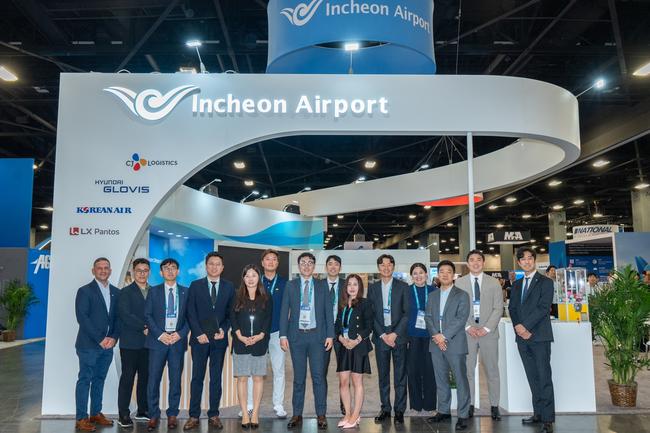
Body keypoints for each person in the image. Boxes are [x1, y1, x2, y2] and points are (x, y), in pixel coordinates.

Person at [279, 252, 334, 430]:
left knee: (319, 377)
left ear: (314, 266)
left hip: (317, 337)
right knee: (299, 378)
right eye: (303, 262)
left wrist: (330, 335)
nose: (306, 265)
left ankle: (321, 414)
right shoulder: (291, 285)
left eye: (310, 262)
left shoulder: (322, 285)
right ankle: (297, 414)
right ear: (299, 266)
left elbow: (328, 312)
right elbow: (284, 311)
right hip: (297, 338)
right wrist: (283, 335)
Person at [184, 252, 235, 430]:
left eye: (217, 264)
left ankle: (214, 414)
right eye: (211, 264)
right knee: (197, 378)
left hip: (219, 341)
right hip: (199, 340)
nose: (214, 267)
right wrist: (198, 333)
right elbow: (190, 311)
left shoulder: (229, 287)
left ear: (222, 267)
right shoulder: (195, 285)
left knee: (216, 378)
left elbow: (231, 313)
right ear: (206, 266)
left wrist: (224, 329)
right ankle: (193, 415)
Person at [508, 247, 555, 433]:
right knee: (532, 377)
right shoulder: (517, 284)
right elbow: (512, 309)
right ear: (519, 263)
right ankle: (538, 413)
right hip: (522, 338)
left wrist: (525, 327)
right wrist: (518, 327)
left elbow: (543, 308)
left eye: (529, 258)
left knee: (544, 377)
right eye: (523, 259)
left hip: (539, 337)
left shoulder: (546, 282)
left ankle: (547, 418)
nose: (526, 261)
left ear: (534, 260)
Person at [455, 250, 503, 420]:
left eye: (478, 260)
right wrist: (468, 327)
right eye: (472, 260)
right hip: (467, 333)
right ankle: (469, 404)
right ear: (467, 263)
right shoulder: (459, 283)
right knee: (468, 370)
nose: (475, 263)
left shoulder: (494, 283)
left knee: (492, 370)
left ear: (483, 262)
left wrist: (486, 328)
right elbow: (457, 309)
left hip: (489, 334)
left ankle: (494, 405)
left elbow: (498, 308)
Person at [424, 260, 471, 431]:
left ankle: (463, 414)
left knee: (460, 380)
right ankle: (443, 411)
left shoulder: (462, 295)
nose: (445, 274)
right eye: (441, 271)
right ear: (437, 275)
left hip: (455, 343)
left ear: (453, 275)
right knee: (441, 379)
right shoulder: (432, 295)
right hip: (436, 344)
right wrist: (437, 336)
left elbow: (461, 318)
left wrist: (444, 336)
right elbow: (428, 317)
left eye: (448, 271)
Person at [74, 257, 120, 432]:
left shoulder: (116, 292)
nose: (103, 270)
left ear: (110, 271)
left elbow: (118, 318)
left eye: (106, 268)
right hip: (88, 345)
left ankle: (95, 413)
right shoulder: (85, 291)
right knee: (85, 380)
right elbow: (83, 318)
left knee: (99, 379)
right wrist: (100, 339)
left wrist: (113, 338)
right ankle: (81, 418)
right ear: (93, 271)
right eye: (99, 268)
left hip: (108, 346)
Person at [145, 258, 190, 432]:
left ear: (178, 271)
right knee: (153, 380)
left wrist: (180, 334)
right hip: (158, 342)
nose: (170, 271)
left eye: (173, 268)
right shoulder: (153, 291)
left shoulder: (186, 292)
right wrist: (160, 335)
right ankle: (153, 415)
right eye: (166, 268)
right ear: (161, 272)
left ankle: (172, 414)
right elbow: (147, 315)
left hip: (177, 342)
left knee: (175, 380)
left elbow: (190, 317)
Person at [367, 254, 409, 425]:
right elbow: (370, 314)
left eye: (389, 264)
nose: (386, 267)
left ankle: (399, 410)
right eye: (382, 265)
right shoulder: (372, 288)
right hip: (381, 338)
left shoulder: (403, 286)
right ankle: (385, 408)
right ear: (378, 268)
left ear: (393, 266)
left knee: (400, 376)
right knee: (383, 376)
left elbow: (407, 313)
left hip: (399, 337)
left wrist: (395, 334)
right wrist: (383, 335)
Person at [230, 265, 273, 429]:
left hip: (260, 343)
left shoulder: (266, 296)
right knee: (242, 378)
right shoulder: (236, 295)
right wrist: (240, 336)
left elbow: (268, 319)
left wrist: (260, 336)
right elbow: (232, 318)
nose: (250, 278)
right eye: (247, 275)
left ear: (258, 277)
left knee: (258, 378)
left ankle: (255, 413)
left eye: (254, 275)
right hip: (240, 343)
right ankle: (244, 413)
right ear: (243, 278)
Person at [335, 274, 374, 429]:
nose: (352, 287)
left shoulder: (365, 303)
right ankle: (347, 414)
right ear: (346, 287)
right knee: (343, 382)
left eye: (355, 284)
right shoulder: (342, 304)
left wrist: (356, 340)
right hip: (344, 347)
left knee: (357, 382)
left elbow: (369, 326)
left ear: (360, 287)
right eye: (349, 284)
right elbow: (337, 325)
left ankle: (355, 415)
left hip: (358, 346)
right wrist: (341, 339)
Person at [117, 258, 151, 428]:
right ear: (133, 271)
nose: (142, 273)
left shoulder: (154, 291)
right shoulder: (125, 292)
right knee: (128, 378)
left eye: (145, 270)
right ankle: (123, 414)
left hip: (149, 344)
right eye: (139, 270)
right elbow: (125, 315)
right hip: (130, 343)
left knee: (145, 378)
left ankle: (142, 410)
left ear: (149, 272)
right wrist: (144, 326)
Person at [256, 249, 288, 418]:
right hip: (257, 333)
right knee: (255, 371)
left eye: (274, 259)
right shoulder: (255, 280)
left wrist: (285, 333)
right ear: (262, 263)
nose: (270, 262)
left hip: (277, 332)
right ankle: (250, 404)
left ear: (277, 263)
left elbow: (289, 309)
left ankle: (278, 404)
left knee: (279, 370)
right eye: (267, 259)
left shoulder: (284, 283)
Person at [405, 263, 437, 415]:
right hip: (412, 335)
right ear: (412, 276)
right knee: (413, 371)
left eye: (421, 273)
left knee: (430, 370)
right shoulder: (406, 291)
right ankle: (416, 405)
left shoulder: (434, 291)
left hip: (431, 336)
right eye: (415, 273)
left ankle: (430, 404)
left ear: (426, 274)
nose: (418, 276)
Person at [324, 254, 345, 415]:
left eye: (336, 264)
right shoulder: (318, 285)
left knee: (344, 371)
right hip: (323, 334)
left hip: (342, 334)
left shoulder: (346, 285)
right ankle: (321, 404)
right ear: (326, 267)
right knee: (321, 371)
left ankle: (344, 403)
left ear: (340, 267)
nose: (333, 267)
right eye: (330, 264)